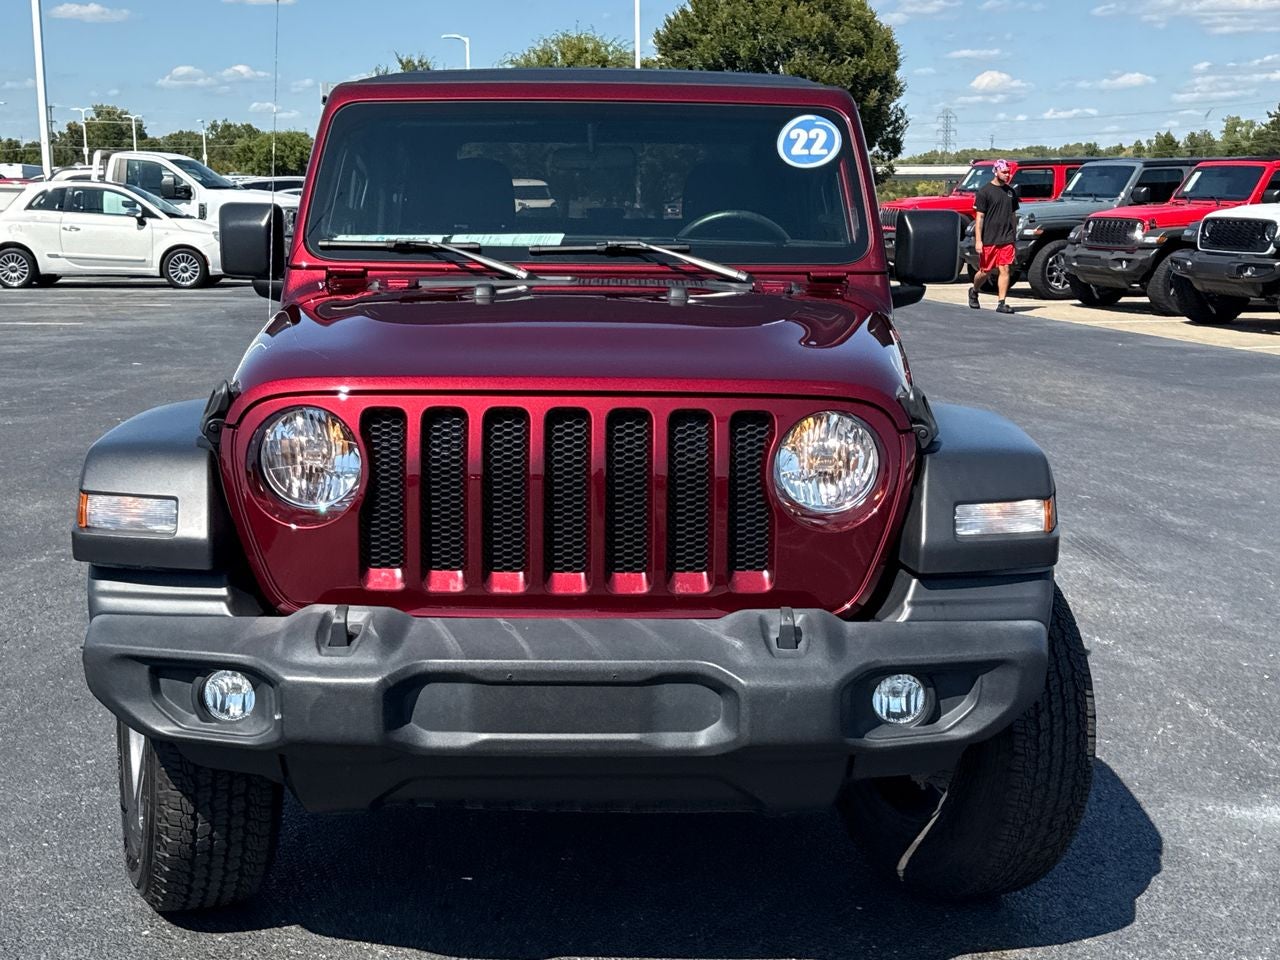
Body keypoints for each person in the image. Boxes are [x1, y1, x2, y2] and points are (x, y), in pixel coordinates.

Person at [969, 158, 1020, 314]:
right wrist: (978, 240)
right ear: (996, 171)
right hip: (989, 238)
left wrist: (1014, 234)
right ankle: (974, 290)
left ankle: (1001, 302)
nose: (1007, 175)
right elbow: (980, 218)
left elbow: (1013, 215)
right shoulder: (985, 192)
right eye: (1004, 172)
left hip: (1006, 238)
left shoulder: (1011, 192)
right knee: (985, 271)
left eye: (1008, 172)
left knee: (1005, 269)